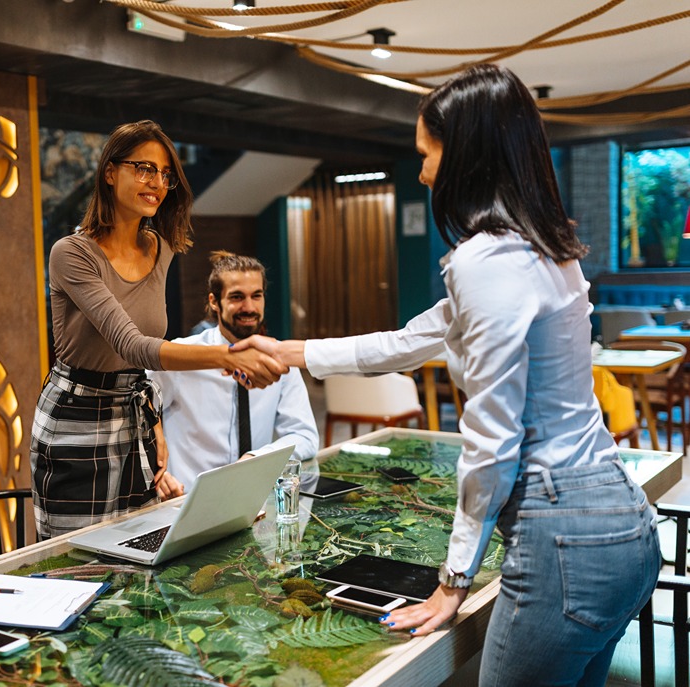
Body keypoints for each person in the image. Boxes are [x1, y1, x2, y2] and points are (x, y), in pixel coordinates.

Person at [233, 64, 660, 687]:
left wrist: (452, 579)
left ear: (464, 156)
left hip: (562, 539)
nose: (423, 171)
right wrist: (288, 352)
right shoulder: (541, 248)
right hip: (624, 525)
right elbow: (409, 341)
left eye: (427, 153)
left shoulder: (485, 261)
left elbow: (491, 442)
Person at [32, 120, 287, 539]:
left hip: (135, 417)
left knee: (140, 551)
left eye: (165, 174)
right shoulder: (72, 253)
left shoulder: (160, 247)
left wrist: (154, 426)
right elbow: (132, 345)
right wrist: (227, 354)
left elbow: (140, 370)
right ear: (110, 172)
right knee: (75, 561)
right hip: (77, 421)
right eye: (144, 168)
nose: (157, 182)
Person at [147, 251, 318, 497]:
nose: (249, 307)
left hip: (253, 500)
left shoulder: (279, 360)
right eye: (237, 297)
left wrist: (255, 458)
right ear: (214, 302)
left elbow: (305, 436)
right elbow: (135, 415)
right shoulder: (182, 356)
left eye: (256, 296)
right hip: (185, 499)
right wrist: (156, 469)